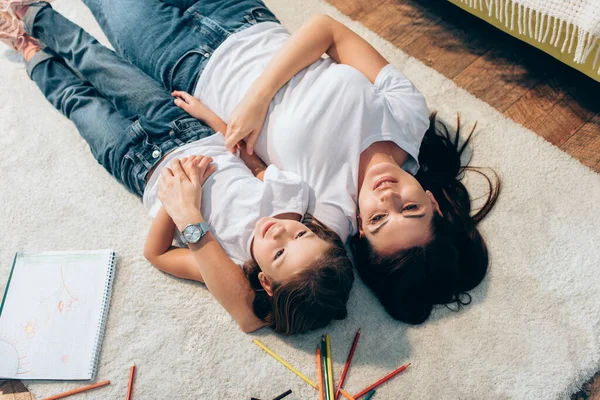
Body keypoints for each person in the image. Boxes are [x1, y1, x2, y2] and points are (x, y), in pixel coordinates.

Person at [31, 0, 500, 323]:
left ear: (360, 232)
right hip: (243, 15)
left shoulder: (328, 218)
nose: (387, 195)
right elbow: (327, 31)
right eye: (411, 207)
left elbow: (252, 307)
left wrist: (191, 220)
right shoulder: (409, 119)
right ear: (436, 202)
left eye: (379, 219)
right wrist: (259, 97)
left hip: (181, 60)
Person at [0, 3, 353, 334]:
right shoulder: (290, 196)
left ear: (265, 282)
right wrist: (207, 115)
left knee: (78, 102)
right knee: (97, 61)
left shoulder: (228, 263)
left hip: (135, 163)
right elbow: (248, 156)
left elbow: (157, 254)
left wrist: (180, 205)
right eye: (301, 235)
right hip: (181, 127)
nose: (280, 233)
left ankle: (28, 50)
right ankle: (33, 13)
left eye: (278, 254)